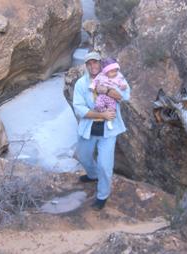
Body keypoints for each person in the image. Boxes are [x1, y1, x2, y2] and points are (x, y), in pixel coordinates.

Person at [73, 51, 131, 210]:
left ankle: (102, 195)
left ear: (100, 63)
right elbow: (79, 108)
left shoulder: (114, 75)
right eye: (89, 63)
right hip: (88, 127)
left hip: (108, 130)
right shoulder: (81, 84)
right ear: (86, 66)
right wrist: (101, 114)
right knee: (83, 156)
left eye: (95, 62)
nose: (93, 66)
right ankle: (92, 175)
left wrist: (106, 91)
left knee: (105, 165)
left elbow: (125, 96)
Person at [90, 58, 128, 130]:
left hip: (111, 98)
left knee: (112, 109)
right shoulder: (101, 75)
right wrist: (92, 86)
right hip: (102, 96)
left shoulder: (117, 76)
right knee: (98, 104)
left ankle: (109, 121)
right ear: (106, 72)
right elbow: (95, 81)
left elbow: (121, 83)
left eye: (115, 71)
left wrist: (122, 86)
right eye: (112, 72)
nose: (114, 73)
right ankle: (103, 112)